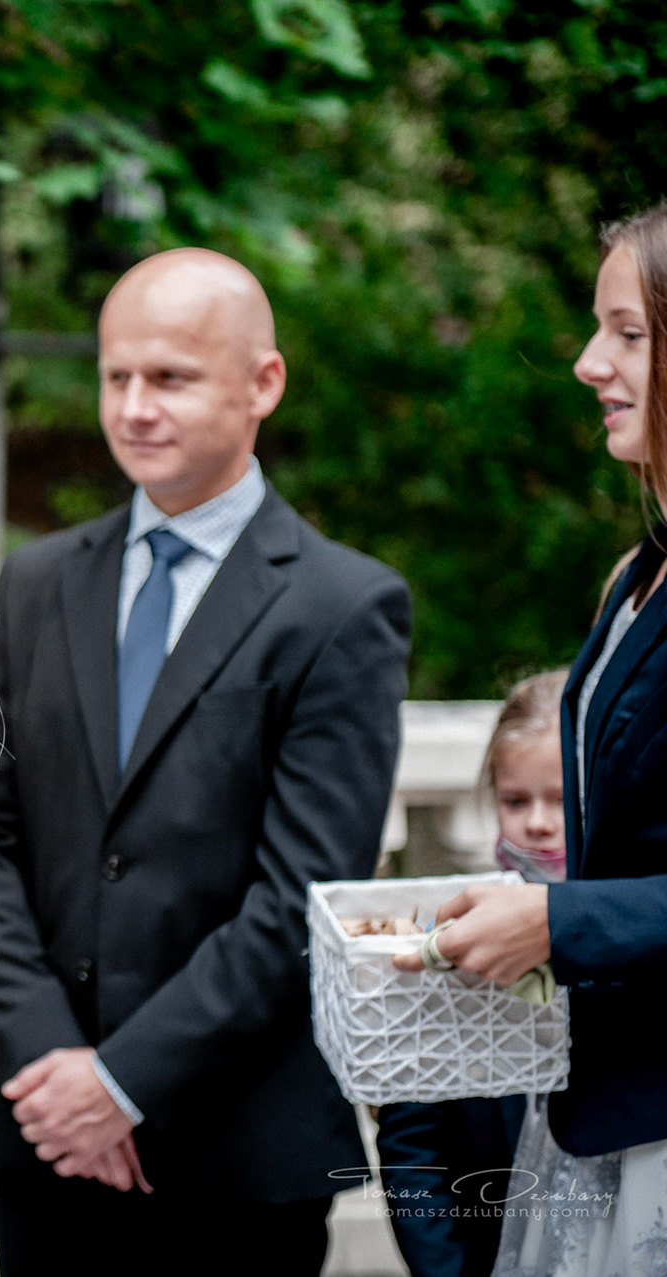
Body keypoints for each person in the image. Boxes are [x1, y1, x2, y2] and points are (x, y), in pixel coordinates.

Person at [0, 247, 413, 1274]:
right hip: (46, 1134)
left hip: (236, 1151)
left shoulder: (343, 606)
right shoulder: (36, 582)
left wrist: (123, 1081)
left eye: (171, 377)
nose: (135, 407)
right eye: (116, 376)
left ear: (263, 383)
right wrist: (54, 1063)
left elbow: (302, 896)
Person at [394, 203, 667, 1276]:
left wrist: (554, 920)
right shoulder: (637, 573)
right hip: (596, 1109)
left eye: (628, 334)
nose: (589, 361)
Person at [374, 669, 565, 1277]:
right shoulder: (455, 936)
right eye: (516, 801)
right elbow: (412, 1141)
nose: (538, 822)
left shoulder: (638, 936)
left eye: (561, 799)